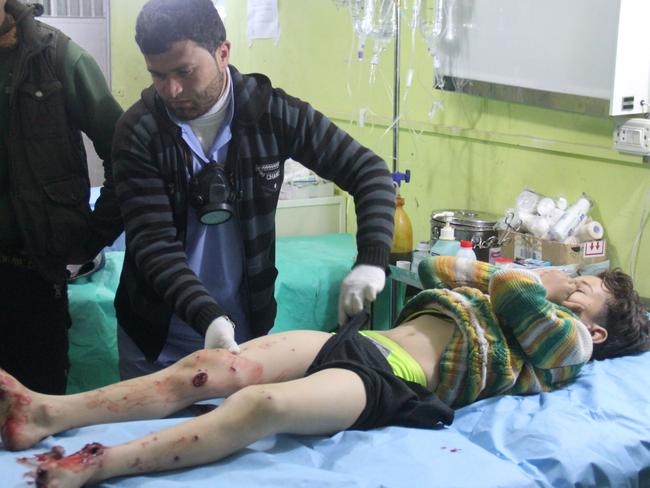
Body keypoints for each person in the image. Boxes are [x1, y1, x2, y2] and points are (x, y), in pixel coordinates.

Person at [2, 257, 649, 487]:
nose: (574, 287)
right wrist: (520, 276)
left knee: (262, 408)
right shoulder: (528, 300)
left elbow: (509, 286)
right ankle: (48, 412)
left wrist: (543, 278)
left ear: (596, 327)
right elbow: (438, 269)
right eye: (578, 282)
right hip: (361, 340)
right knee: (210, 368)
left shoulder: (571, 345)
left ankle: (95, 465)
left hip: (390, 381)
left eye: (587, 289)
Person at [111, 0, 396, 380]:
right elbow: (154, 245)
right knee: (147, 435)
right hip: (157, 337)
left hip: (243, 332)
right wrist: (209, 318)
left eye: (184, 71)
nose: (172, 90)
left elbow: (369, 170)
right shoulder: (140, 131)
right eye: (157, 75)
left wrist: (371, 259)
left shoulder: (270, 114)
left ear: (223, 52)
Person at [0, 0, 124, 394]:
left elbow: (127, 157)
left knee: (35, 413)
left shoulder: (58, 58)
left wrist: (90, 237)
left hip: (32, 279)